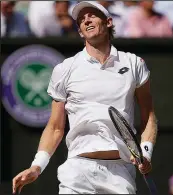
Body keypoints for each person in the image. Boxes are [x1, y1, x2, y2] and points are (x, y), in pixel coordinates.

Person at [12, 1, 158, 194]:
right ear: (80, 31)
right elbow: (55, 127)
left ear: (108, 22)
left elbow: (148, 116)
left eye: (92, 15)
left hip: (120, 173)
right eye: (81, 19)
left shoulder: (134, 64)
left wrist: (145, 153)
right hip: (77, 171)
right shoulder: (64, 69)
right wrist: (36, 166)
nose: (86, 19)